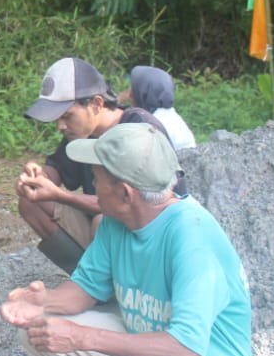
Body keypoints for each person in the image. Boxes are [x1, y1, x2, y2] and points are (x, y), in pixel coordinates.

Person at [0, 122, 255, 356]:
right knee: (40, 328)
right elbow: (85, 289)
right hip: (153, 352)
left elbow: (187, 350)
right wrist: (44, 302)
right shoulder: (117, 222)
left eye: (96, 179)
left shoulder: (193, 238)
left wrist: (83, 337)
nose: (91, 186)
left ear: (124, 193)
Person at [16, 57, 184, 274]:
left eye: (67, 116)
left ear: (96, 104)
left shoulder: (139, 129)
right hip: (107, 224)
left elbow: (130, 203)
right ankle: (91, 281)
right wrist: (36, 176)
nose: (60, 126)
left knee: (103, 221)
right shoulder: (80, 133)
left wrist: (58, 195)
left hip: (152, 239)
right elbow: (56, 168)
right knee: (31, 203)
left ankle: (120, 285)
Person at [122, 65, 197, 151]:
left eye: (133, 90)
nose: (129, 94)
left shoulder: (152, 123)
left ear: (143, 93)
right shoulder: (169, 114)